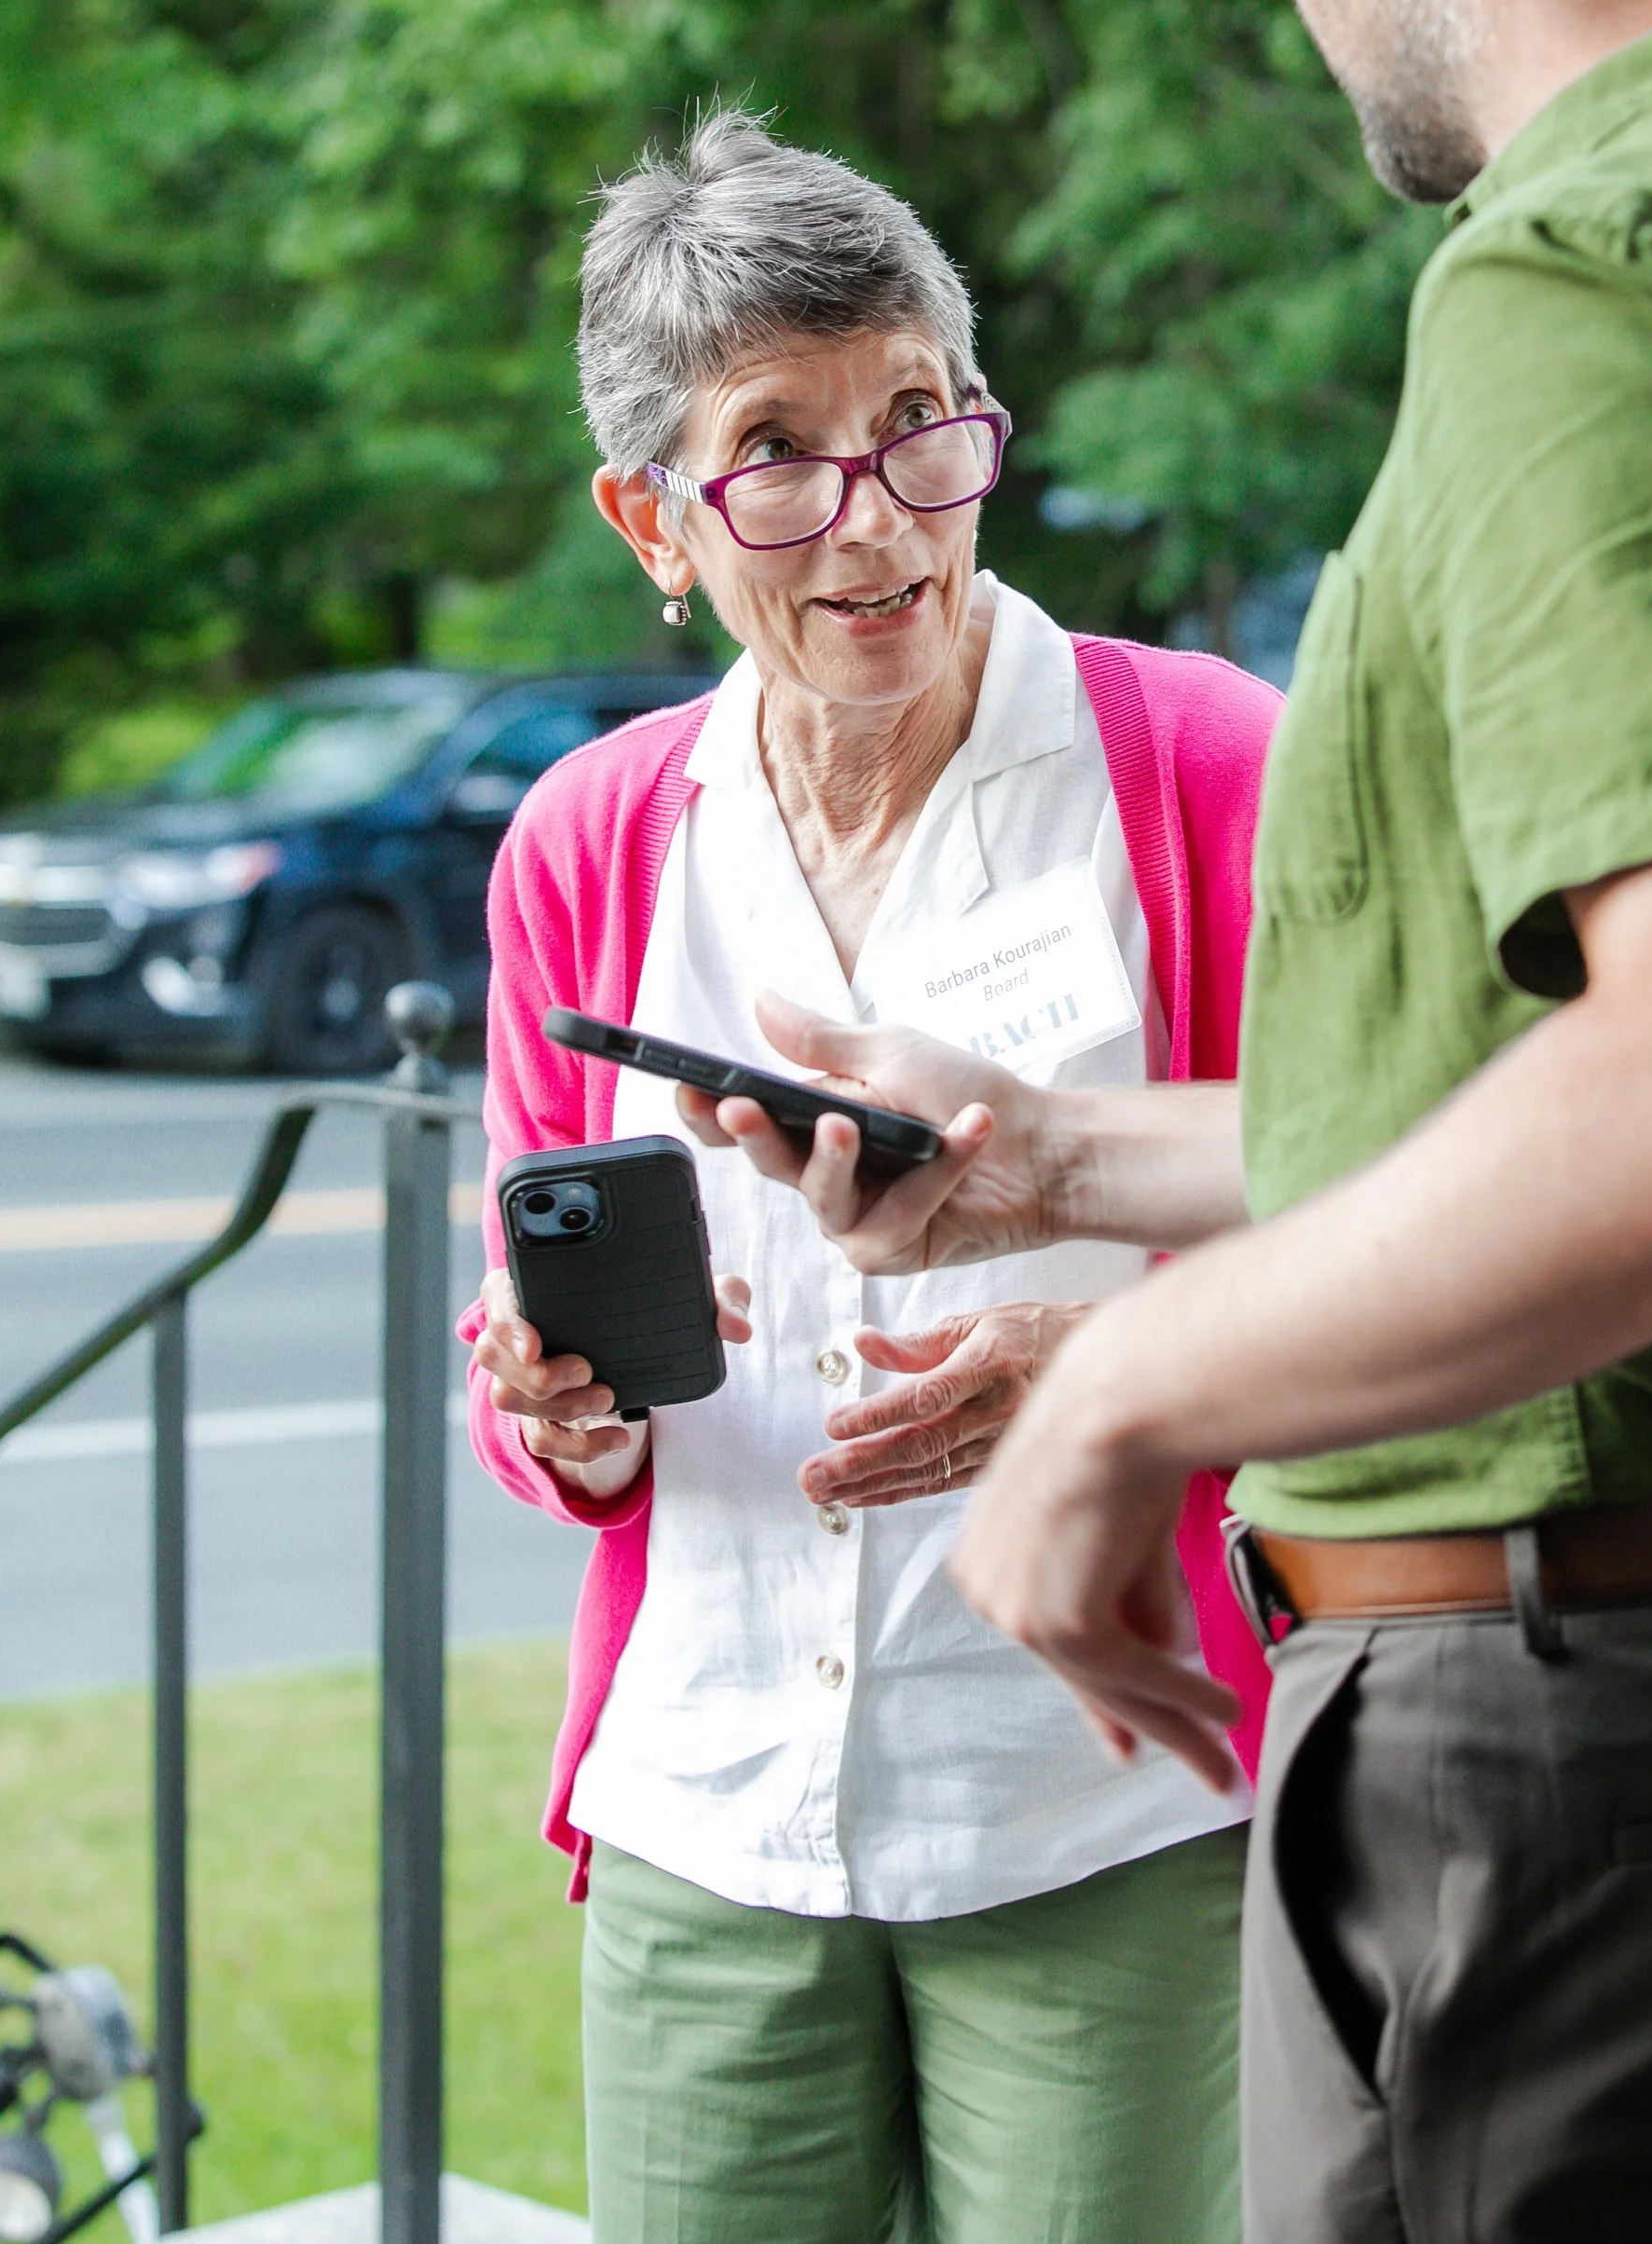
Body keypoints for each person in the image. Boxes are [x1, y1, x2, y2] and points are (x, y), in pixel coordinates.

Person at [709, 0, 1652, 2239]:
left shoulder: (1589, 273)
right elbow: (1599, 1076)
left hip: (1578, 1734)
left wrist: (1131, 1379)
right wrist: (1043, 1165)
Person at [457, 114, 1278, 2244]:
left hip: (1094, 1808)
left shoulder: (1198, 768)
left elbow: (1411, 1211)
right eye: (778, 455)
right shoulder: (586, 840)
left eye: (919, 422)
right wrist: (566, 1419)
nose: (876, 520)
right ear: (652, 516)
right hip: (707, 1808)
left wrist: (1101, 1363)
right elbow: (545, 1345)